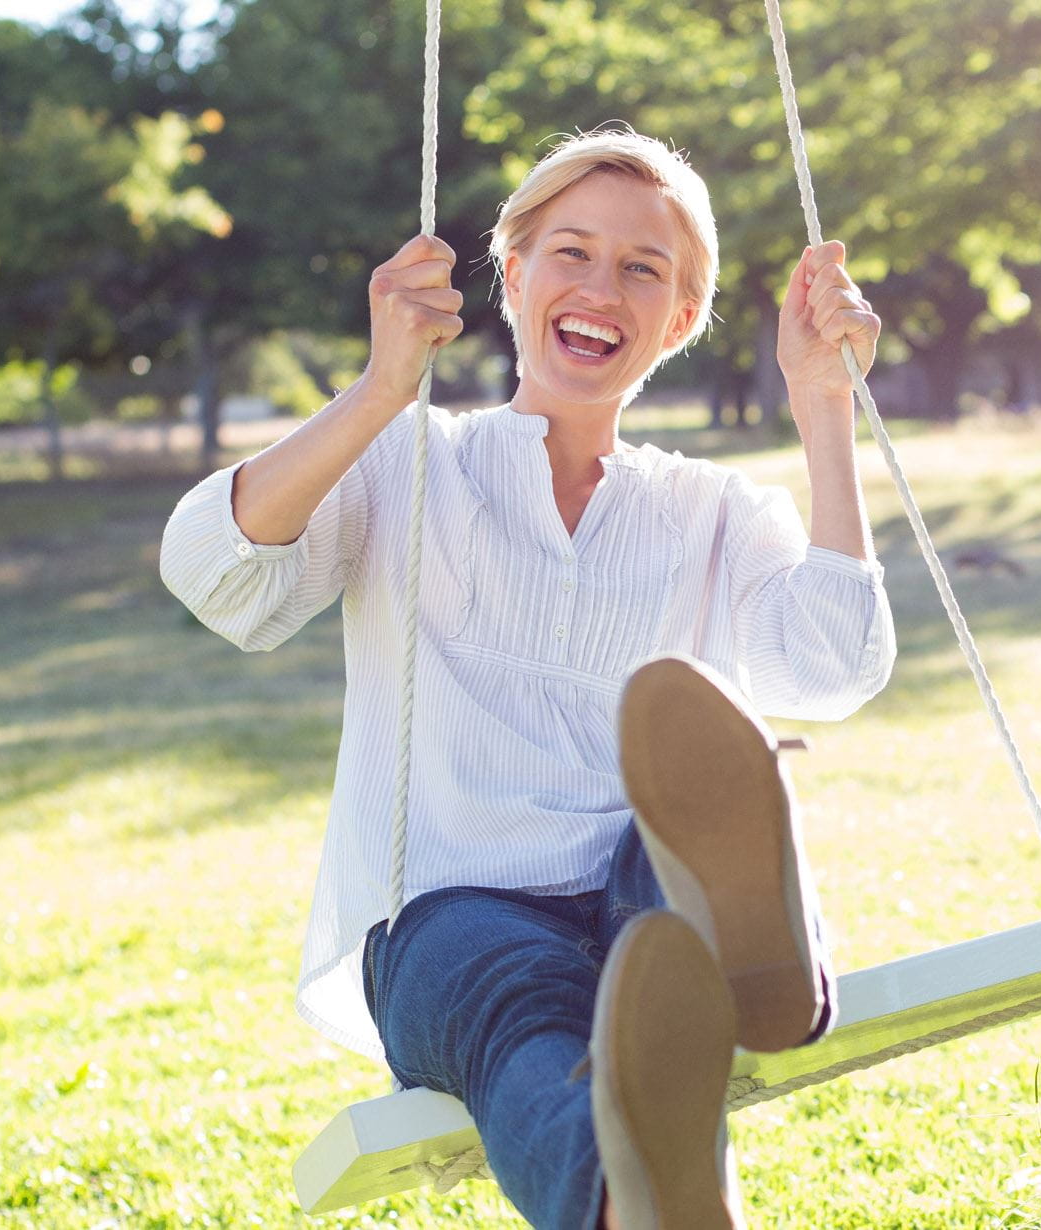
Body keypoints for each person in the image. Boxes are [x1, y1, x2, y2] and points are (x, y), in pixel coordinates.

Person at [159, 128, 895, 1229]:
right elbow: (215, 572)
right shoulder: (408, 464)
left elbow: (832, 666)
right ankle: (634, 1195)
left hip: (636, 902)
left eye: (643, 269)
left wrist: (823, 409)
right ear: (510, 276)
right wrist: (375, 392)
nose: (601, 287)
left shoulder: (716, 513)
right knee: (526, 1010)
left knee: (684, 835)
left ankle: (749, 966)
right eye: (570, 251)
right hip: (445, 916)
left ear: (681, 319)